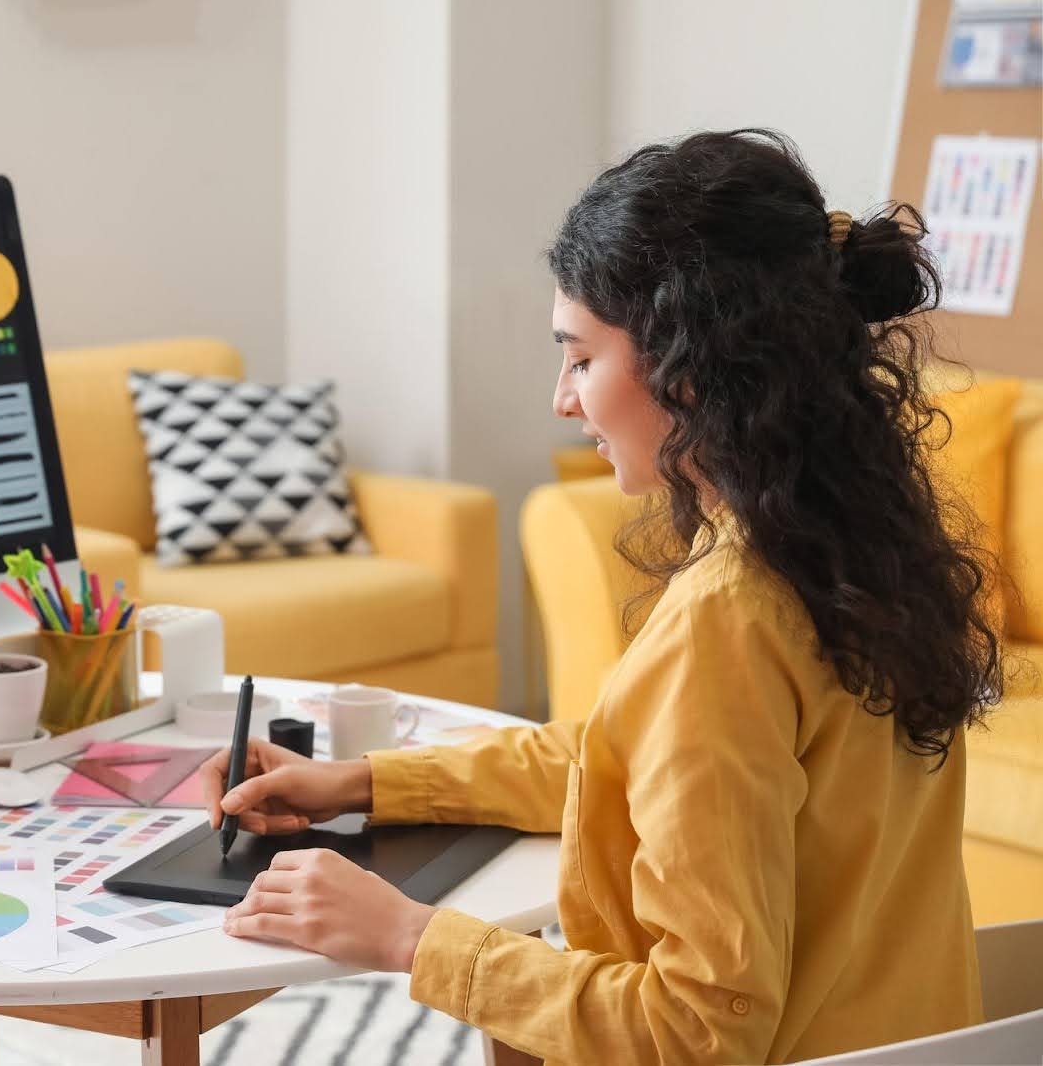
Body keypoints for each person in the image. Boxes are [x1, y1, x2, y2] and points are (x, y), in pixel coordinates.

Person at [201, 128, 1007, 1064]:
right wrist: (366, 783)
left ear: (690, 360)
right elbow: (620, 765)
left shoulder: (731, 616)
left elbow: (698, 1025)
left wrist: (408, 937)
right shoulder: (854, 549)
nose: (563, 398)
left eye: (581, 359)